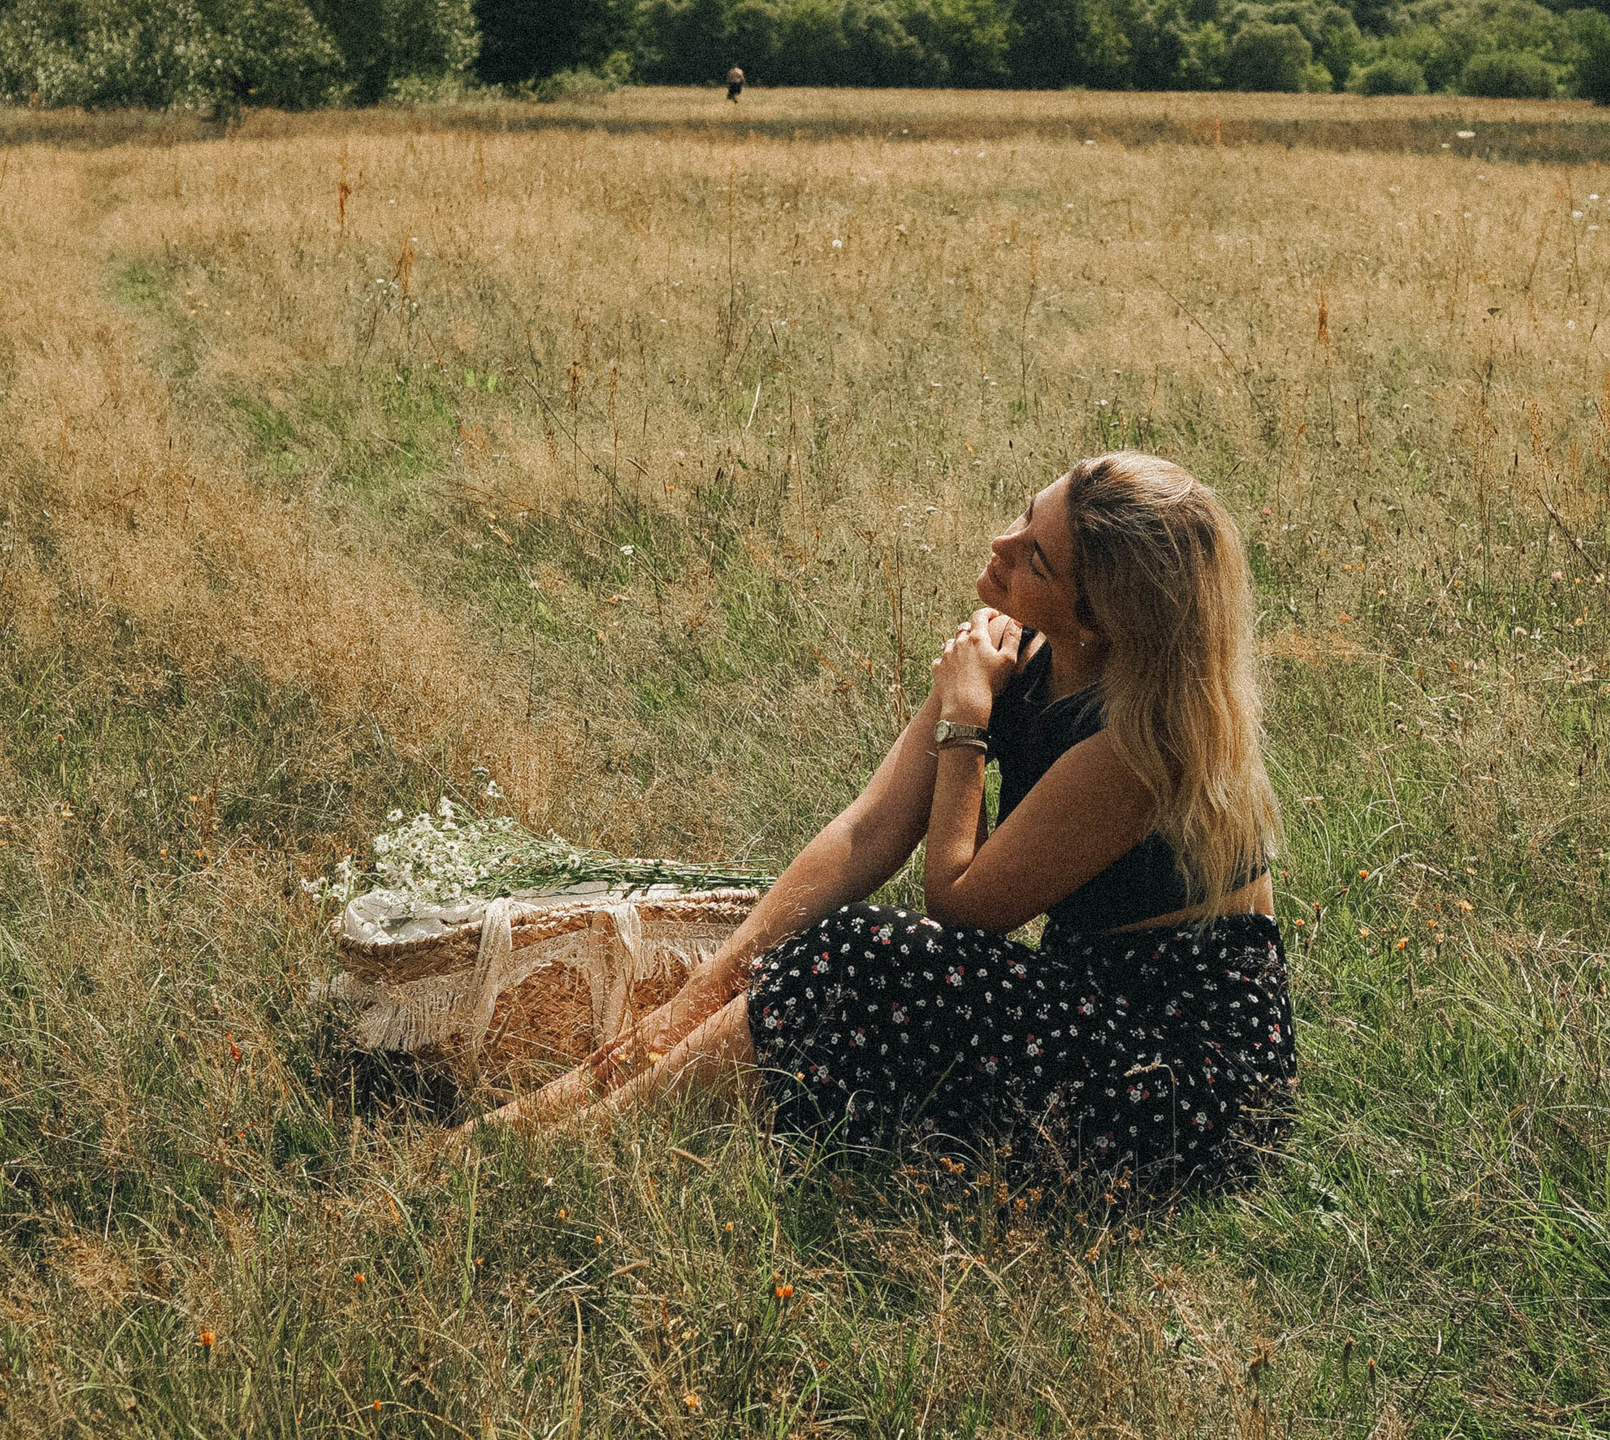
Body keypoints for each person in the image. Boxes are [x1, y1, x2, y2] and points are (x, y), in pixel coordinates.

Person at [458, 452, 1297, 1204]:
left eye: (1034, 557)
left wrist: (967, 718)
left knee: (867, 956)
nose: (1000, 546)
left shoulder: (1137, 747)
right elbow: (866, 831)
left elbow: (961, 906)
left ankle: (572, 1154)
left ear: (1098, 622)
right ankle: (518, 1134)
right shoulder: (1020, 649)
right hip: (1085, 1015)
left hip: (1178, 1085)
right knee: (807, 948)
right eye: (1023, 514)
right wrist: (715, 976)